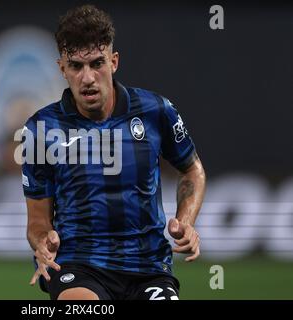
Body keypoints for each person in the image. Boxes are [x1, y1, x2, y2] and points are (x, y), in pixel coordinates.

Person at [21, 4, 206, 300]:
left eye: (97, 63)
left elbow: (192, 170)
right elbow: (38, 220)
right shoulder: (41, 129)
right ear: (61, 68)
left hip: (148, 267)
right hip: (76, 262)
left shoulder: (155, 111)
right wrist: (43, 241)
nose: (88, 78)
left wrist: (185, 222)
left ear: (114, 61)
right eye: (76, 66)